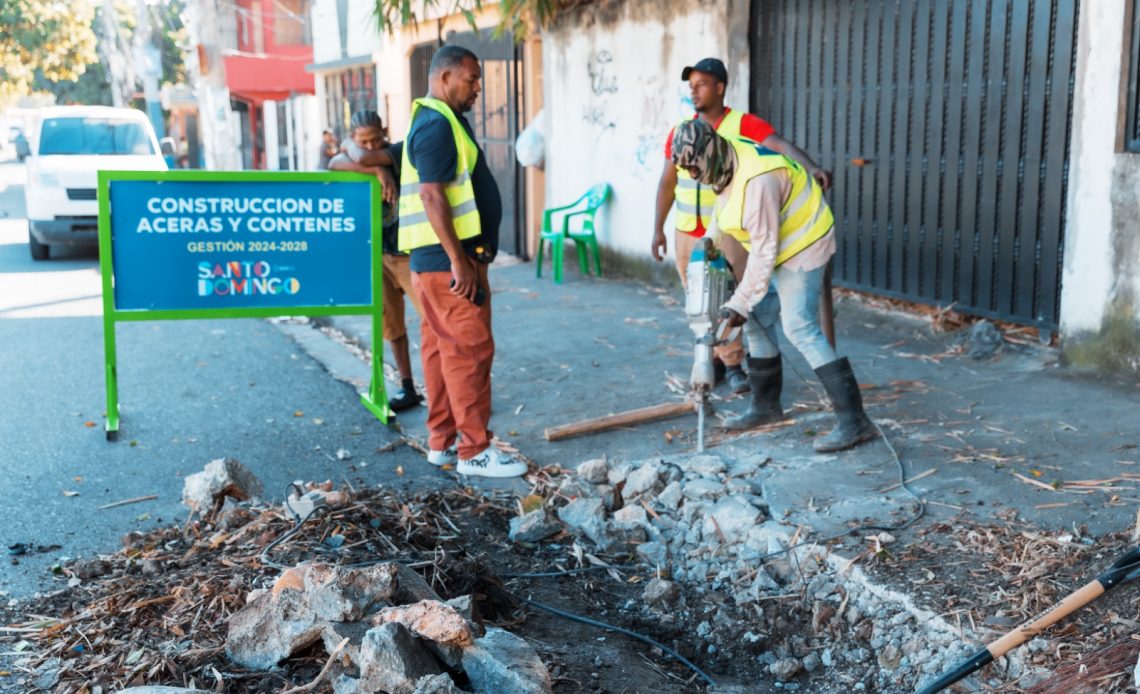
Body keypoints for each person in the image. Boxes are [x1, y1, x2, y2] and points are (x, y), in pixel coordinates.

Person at [670, 118, 876, 453]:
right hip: (774, 239)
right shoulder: (723, 156)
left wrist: (738, 302)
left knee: (799, 326)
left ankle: (855, 422)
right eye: (687, 170)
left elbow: (765, 252)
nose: (694, 177)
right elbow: (724, 201)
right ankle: (766, 408)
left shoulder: (758, 182)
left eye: (695, 168)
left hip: (804, 239)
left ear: (709, 152)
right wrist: (709, 238)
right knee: (756, 318)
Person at [652, 57, 834, 394]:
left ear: (720, 87)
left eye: (701, 84)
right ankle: (718, 362)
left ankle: (735, 365)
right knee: (704, 303)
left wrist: (810, 166)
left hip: (739, 231)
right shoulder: (682, 135)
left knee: (744, 300)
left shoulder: (742, 127)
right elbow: (667, 182)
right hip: (695, 231)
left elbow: (779, 147)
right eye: (690, 86)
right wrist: (658, 228)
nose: (694, 91)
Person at [397, 44, 527, 478]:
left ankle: (442, 443)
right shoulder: (436, 126)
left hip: (433, 265)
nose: (477, 88)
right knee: (468, 351)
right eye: (471, 79)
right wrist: (459, 260)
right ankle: (475, 452)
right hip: (447, 265)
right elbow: (431, 195)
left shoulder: (438, 121)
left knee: (439, 351)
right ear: (445, 77)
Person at [328, 110, 424, 413]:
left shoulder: (396, 151)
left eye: (375, 139)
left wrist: (370, 162)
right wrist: (376, 173)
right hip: (377, 253)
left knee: (433, 321)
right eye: (363, 141)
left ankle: (448, 389)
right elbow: (333, 164)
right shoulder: (367, 160)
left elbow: (365, 159)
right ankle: (408, 386)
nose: (370, 147)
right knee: (391, 325)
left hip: (406, 254)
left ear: (384, 132)